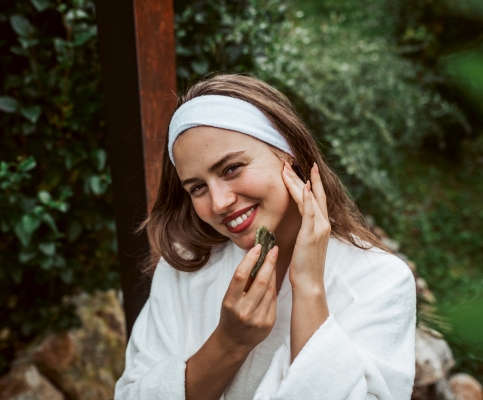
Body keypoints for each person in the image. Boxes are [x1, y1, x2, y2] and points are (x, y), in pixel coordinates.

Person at [114, 74, 416, 400]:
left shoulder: (379, 280)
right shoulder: (185, 269)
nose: (219, 202)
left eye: (231, 168)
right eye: (197, 187)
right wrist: (229, 342)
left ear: (289, 152)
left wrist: (309, 288)